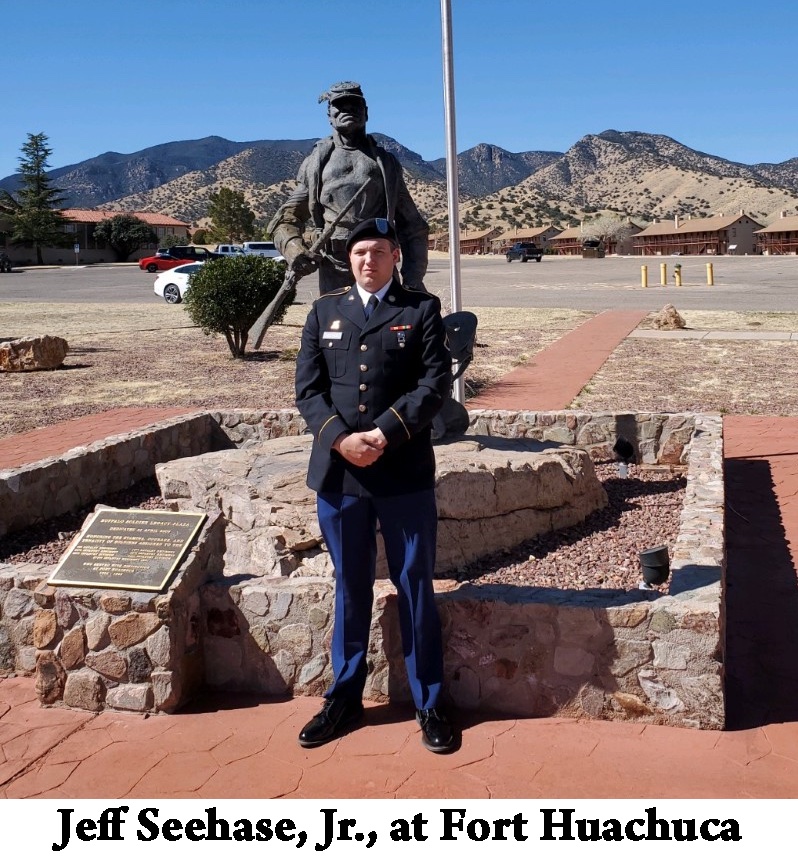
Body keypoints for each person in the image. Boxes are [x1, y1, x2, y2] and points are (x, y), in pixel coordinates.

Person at [294, 217, 455, 753]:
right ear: (350, 259)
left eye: (379, 252)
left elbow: (434, 385)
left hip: (403, 473)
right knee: (350, 586)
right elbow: (308, 391)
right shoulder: (324, 311)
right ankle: (344, 698)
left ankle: (429, 700)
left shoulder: (421, 310)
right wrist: (341, 441)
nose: (369, 260)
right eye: (360, 252)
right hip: (340, 477)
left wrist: (383, 434)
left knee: (414, 586)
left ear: (395, 258)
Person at [268, 81, 429, 294]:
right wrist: (294, 249)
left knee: (386, 322)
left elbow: (413, 226)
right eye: (340, 106)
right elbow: (285, 219)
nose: (348, 110)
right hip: (335, 265)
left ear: (366, 112)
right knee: (335, 324)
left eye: (355, 105)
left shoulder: (385, 163)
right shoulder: (316, 164)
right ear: (330, 115)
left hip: (378, 263)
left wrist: (413, 279)